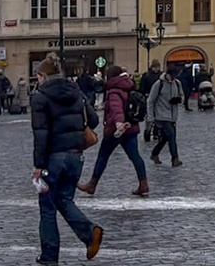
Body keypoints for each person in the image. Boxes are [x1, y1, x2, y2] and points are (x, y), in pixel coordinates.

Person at [30, 54, 104, 262]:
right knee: (64, 199)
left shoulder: (40, 96)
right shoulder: (76, 91)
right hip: (76, 156)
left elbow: (41, 133)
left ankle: (49, 254)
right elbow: (95, 119)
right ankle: (90, 234)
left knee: (47, 206)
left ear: (42, 75)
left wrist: (39, 165)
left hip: (54, 157)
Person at [84, 65, 148, 197]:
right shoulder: (128, 86)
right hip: (130, 128)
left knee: (103, 156)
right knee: (135, 156)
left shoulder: (114, 91)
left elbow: (116, 108)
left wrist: (119, 123)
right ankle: (143, 183)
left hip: (115, 130)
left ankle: (92, 184)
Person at [146, 67, 184, 167]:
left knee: (165, 138)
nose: (173, 78)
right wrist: (151, 117)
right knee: (171, 136)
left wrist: (178, 100)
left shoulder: (177, 83)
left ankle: (154, 154)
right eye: (172, 76)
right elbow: (150, 101)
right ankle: (175, 159)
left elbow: (182, 96)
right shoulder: (159, 84)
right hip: (161, 116)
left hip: (173, 116)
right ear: (167, 74)